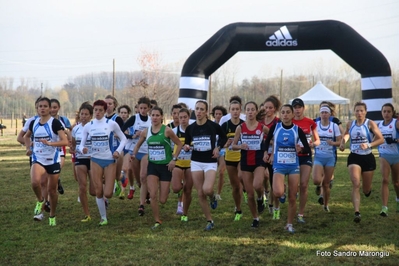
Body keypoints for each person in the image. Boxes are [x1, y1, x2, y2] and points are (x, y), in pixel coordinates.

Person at [131, 106, 183, 229]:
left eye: (157, 115)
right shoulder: (146, 131)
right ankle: (157, 220)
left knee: (163, 200)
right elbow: (137, 145)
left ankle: (171, 189)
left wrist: (174, 159)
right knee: (153, 194)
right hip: (153, 166)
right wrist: (133, 155)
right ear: (150, 117)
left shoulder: (167, 131)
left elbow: (179, 144)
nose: (154, 118)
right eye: (152, 115)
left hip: (166, 166)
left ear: (161, 117)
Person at [78, 99, 127, 226]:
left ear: (105, 111)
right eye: (95, 110)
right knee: (98, 191)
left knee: (108, 194)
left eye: (100, 110)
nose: (98, 112)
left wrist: (117, 151)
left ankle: (116, 181)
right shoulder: (89, 126)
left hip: (110, 160)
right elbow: (81, 144)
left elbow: (123, 139)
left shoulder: (111, 124)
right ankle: (103, 218)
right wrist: (82, 149)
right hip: (95, 160)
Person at [263, 104, 311, 233]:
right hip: (279, 164)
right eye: (283, 112)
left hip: (293, 166)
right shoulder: (276, 127)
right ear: (280, 114)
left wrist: (301, 148)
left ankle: (289, 224)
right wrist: (265, 153)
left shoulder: (297, 130)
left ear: (292, 115)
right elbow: (266, 141)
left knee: (292, 197)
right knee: (278, 192)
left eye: (287, 112)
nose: (285, 115)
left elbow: (307, 148)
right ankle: (282, 191)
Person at [23, 97, 69, 226]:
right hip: (38, 158)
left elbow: (65, 141)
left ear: (49, 108)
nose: (42, 108)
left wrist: (50, 143)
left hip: (53, 160)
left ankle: (52, 215)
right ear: (37, 109)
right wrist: (28, 148)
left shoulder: (55, 123)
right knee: (35, 182)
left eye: (45, 106)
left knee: (52, 191)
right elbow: (26, 136)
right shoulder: (34, 122)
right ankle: (40, 200)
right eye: (40, 106)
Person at [183, 100, 227, 231]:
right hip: (196, 161)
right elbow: (187, 143)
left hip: (210, 162)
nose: (199, 112)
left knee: (207, 189)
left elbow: (224, 138)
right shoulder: (190, 128)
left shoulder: (212, 126)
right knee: (201, 193)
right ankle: (210, 220)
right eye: (197, 109)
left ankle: (213, 197)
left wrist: (218, 148)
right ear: (194, 111)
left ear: (206, 112)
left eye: (202, 109)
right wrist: (186, 147)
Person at [339, 101, 384, 223]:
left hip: (367, 157)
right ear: (354, 112)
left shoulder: (370, 123)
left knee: (366, 189)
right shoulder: (350, 124)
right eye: (357, 110)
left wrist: (369, 144)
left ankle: (367, 190)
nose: (359, 113)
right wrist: (343, 143)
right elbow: (346, 135)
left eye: (361, 111)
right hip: (354, 156)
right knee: (355, 183)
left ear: (365, 112)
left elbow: (381, 139)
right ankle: (357, 212)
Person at [232, 101, 269, 228]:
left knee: (257, 185)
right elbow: (233, 145)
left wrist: (267, 152)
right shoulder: (240, 128)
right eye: (248, 110)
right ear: (245, 111)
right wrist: (240, 146)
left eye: (253, 109)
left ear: (256, 111)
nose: (250, 112)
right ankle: (255, 218)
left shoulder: (262, 127)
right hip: (245, 160)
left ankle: (261, 197)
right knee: (249, 193)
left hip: (259, 160)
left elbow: (273, 139)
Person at [291, 98, 320, 223]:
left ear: (303, 108)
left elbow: (317, 140)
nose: (297, 110)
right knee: (294, 187)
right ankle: (292, 207)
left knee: (303, 185)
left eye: (299, 107)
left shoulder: (310, 122)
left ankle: (301, 214)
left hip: (306, 156)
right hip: (292, 157)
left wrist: (312, 144)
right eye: (295, 107)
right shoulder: (288, 121)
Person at [122, 97, 151, 213]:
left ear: (149, 108)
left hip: (146, 151)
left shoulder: (151, 119)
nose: (143, 110)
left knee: (144, 176)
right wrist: (132, 135)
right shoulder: (134, 118)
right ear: (138, 108)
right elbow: (122, 131)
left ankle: (141, 205)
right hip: (134, 150)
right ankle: (145, 192)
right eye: (141, 108)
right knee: (139, 179)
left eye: (145, 108)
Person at [312, 106, 342, 212]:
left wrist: (333, 143)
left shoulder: (334, 126)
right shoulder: (315, 126)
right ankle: (319, 187)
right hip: (318, 157)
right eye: (322, 112)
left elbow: (340, 141)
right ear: (320, 115)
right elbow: (312, 139)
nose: (324, 114)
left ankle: (325, 204)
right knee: (316, 180)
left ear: (330, 115)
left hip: (330, 157)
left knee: (326, 184)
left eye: (326, 112)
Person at [71, 103, 95, 222]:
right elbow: (73, 144)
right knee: (82, 187)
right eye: (82, 114)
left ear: (91, 116)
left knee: (93, 191)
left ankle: (106, 182)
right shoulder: (76, 129)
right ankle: (87, 214)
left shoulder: (95, 127)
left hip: (93, 159)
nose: (83, 116)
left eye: (86, 114)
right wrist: (73, 149)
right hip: (80, 158)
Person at [222, 100, 244, 221]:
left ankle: (245, 190)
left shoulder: (245, 124)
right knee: (235, 187)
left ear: (240, 111)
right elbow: (219, 142)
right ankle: (238, 208)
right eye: (233, 109)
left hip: (242, 157)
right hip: (230, 158)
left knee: (241, 176)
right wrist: (226, 143)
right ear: (229, 111)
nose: (235, 112)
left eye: (237, 109)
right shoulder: (225, 125)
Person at [259, 95, 281, 218]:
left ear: (275, 109)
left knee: (274, 182)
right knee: (261, 177)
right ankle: (264, 195)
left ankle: (275, 206)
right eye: (265, 107)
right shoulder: (260, 121)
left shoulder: (278, 122)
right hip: (261, 153)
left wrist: (271, 146)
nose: (267, 110)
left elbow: (279, 140)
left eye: (270, 108)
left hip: (274, 154)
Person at [171, 108, 194, 221]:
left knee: (188, 189)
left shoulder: (194, 130)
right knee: (176, 188)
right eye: (181, 117)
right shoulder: (174, 131)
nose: (183, 119)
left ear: (189, 117)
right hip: (178, 162)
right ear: (177, 118)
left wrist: (191, 147)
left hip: (191, 164)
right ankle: (179, 198)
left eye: (185, 117)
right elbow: (170, 146)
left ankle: (185, 212)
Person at [378, 103, 399, 216]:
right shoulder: (378, 125)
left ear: (392, 112)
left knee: (396, 183)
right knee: (385, 179)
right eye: (384, 111)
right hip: (384, 154)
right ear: (381, 112)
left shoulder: (396, 123)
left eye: (389, 111)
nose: (386, 114)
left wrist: (395, 140)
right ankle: (384, 208)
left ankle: (398, 199)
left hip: (396, 156)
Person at [50, 98, 72, 196]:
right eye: (51, 107)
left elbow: (71, 130)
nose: (52, 109)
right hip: (48, 149)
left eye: (55, 107)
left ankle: (57, 180)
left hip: (60, 148)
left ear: (59, 108)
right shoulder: (45, 120)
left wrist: (68, 134)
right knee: (49, 175)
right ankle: (49, 201)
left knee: (57, 168)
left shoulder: (64, 120)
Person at [104, 95, 125, 199]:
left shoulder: (118, 119)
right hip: (103, 150)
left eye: (110, 104)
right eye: (106, 103)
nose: (107, 106)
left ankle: (121, 178)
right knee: (104, 176)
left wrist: (117, 135)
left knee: (115, 176)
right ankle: (105, 200)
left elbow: (123, 135)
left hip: (116, 149)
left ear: (114, 105)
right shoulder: (101, 118)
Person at [211, 105, 228, 200]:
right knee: (211, 173)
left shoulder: (225, 125)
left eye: (220, 114)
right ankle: (210, 191)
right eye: (216, 114)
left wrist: (224, 145)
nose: (218, 116)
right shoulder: (210, 125)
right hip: (212, 151)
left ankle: (218, 193)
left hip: (222, 151)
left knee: (221, 172)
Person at [117, 104, 132, 199]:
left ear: (128, 114)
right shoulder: (116, 124)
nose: (123, 114)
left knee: (125, 169)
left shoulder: (131, 123)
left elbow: (131, 134)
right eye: (121, 113)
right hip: (118, 148)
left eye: (125, 113)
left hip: (128, 148)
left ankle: (122, 191)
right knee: (118, 171)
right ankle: (121, 180)